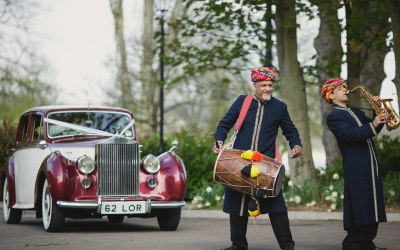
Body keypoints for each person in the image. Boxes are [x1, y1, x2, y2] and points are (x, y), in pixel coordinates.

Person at [213, 67, 302, 250]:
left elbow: (290, 130)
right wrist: (219, 140)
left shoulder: (280, 107)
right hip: (239, 163)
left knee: (277, 207)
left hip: (265, 166)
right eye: (263, 85)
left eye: (270, 85)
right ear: (254, 85)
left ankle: (287, 246)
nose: (267, 88)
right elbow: (224, 124)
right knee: (237, 205)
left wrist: (296, 145)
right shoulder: (242, 102)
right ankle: (238, 245)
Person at [321, 78, 387, 250]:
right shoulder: (334, 116)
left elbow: (372, 129)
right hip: (356, 166)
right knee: (361, 204)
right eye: (340, 88)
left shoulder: (356, 112)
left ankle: (367, 243)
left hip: (370, 162)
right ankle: (353, 243)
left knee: (373, 204)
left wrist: (376, 111)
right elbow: (347, 136)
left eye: (345, 87)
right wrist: (372, 124)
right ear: (331, 95)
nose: (345, 89)